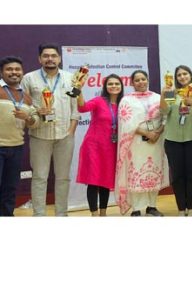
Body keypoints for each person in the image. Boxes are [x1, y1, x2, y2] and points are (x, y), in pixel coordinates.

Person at [21, 43, 80, 216]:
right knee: (39, 177)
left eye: (53, 56)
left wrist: (71, 131)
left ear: (59, 58)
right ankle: (39, 215)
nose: (50, 59)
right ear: (40, 59)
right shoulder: (29, 79)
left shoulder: (71, 78)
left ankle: (61, 214)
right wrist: (35, 111)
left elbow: (75, 108)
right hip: (39, 135)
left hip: (65, 136)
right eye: (46, 56)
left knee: (63, 178)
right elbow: (23, 106)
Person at [115, 70, 167, 216]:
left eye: (143, 79)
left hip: (156, 141)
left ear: (148, 80)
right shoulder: (126, 100)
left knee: (154, 171)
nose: (141, 82)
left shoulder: (158, 97)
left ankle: (152, 206)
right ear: (132, 83)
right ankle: (136, 208)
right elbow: (126, 123)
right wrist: (146, 133)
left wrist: (157, 133)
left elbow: (165, 116)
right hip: (136, 142)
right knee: (135, 173)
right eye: (137, 80)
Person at [76, 73, 124, 216]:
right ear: (105, 86)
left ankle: (103, 213)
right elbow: (82, 108)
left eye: (116, 84)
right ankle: (94, 214)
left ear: (121, 87)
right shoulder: (99, 101)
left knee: (106, 179)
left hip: (112, 147)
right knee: (93, 179)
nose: (113, 86)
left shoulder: (124, 104)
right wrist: (79, 90)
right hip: (94, 146)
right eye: (110, 84)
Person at [161, 65, 192, 216]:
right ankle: (180, 208)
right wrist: (163, 95)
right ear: (176, 78)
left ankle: (191, 207)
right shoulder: (172, 91)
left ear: (190, 75)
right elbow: (165, 111)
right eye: (179, 75)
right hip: (172, 140)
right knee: (177, 176)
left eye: (185, 74)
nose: (182, 77)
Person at [0, 56, 39, 216]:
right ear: (2, 72)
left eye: (17, 69)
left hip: (16, 148)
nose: (14, 72)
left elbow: (35, 121)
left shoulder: (26, 97)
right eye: (9, 69)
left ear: (22, 72)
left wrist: (28, 118)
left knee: (10, 188)